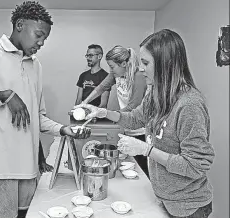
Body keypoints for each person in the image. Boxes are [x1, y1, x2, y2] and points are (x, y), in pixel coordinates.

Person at [0, 1, 90, 218]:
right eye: (38, 35)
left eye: (45, 38)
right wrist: (3, 96)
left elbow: (37, 117)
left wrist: (64, 130)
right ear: (20, 25)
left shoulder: (35, 65)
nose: (41, 42)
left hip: (27, 166)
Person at [75, 29, 215, 218]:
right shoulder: (156, 94)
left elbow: (195, 166)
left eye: (146, 63)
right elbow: (134, 119)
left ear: (166, 64)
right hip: (165, 199)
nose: (140, 68)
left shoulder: (189, 104)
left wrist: (145, 149)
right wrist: (103, 112)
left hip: (188, 208)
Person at [80, 45, 149, 177]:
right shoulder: (116, 73)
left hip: (141, 130)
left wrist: (106, 115)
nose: (110, 70)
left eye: (112, 67)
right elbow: (101, 88)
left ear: (123, 64)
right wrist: (84, 102)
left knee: (141, 169)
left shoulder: (138, 76)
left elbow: (132, 108)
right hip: (125, 126)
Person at [75, 44, 110, 108]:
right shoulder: (83, 75)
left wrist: (93, 115)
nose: (88, 58)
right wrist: (75, 112)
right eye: (87, 55)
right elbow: (78, 100)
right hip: (82, 114)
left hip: (96, 115)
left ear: (99, 56)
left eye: (91, 55)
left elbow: (103, 104)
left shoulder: (106, 77)